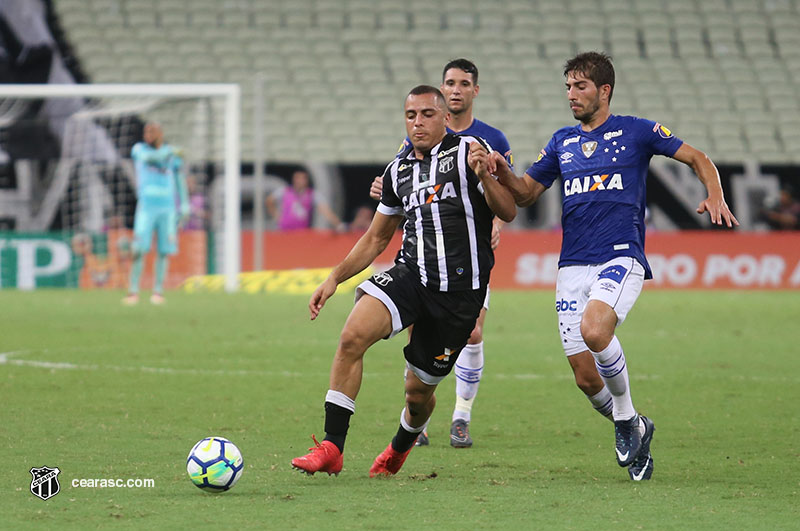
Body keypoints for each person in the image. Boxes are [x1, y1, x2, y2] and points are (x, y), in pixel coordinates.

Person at [473, 51, 738, 481]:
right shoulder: (562, 142)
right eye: (568, 87)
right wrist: (501, 171)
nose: (571, 95)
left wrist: (716, 193)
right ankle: (638, 429)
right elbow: (524, 195)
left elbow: (698, 157)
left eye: (580, 87)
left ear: (604, 90)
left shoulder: (636, 131)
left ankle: (625, 420)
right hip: (571, 266)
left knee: (595, 331)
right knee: (584, 377)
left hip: (620, 255)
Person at [290, 85, 516, 478]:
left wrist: (487, 177)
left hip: (459, 299)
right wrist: (334, 278)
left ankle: (400, 446)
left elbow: (509, 210)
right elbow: (377, 237)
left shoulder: (468, 152)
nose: (418, 122)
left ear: (445, 118)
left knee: (417, 395)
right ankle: (332, 446)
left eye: (427, 114)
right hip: (411, 275)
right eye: (411, 115)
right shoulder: (399, 170)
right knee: (351, 337)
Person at [369, 58, 513, 448]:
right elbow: (404, 182)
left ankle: (462, 416)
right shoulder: (419, 135)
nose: (455, 89)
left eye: (464, 83)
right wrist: (380, 190)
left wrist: (496, 225)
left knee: (474, 332)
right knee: (417, 329)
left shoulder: (491, 140)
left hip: (470, 255)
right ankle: (420, 420)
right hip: (424, 258)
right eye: (449, 82)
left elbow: (503, 194)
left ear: (474, 91)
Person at [122, 122, 189, 305]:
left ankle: (158, 291)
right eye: (146, 131)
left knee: (164, 251)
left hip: (167, 208)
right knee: (139, 249)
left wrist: (184, 204)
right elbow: (150, 159)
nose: (148, 134)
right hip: (146, 207)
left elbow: (179, 179)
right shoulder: (139, 150)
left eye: (152, 131)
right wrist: (170, 151)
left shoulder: (171, 155)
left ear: (160, 133)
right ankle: (133, 291)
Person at [266, 169, 347, 231]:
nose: (299, 181)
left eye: (302, 179)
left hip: (301, 232)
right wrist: (277, 217)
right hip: (284, 230)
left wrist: (338, 224)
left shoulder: (312, 194)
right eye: (297, 178)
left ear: (306, 180)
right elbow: (269, 200)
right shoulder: (285, 191)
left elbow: (325, 211)